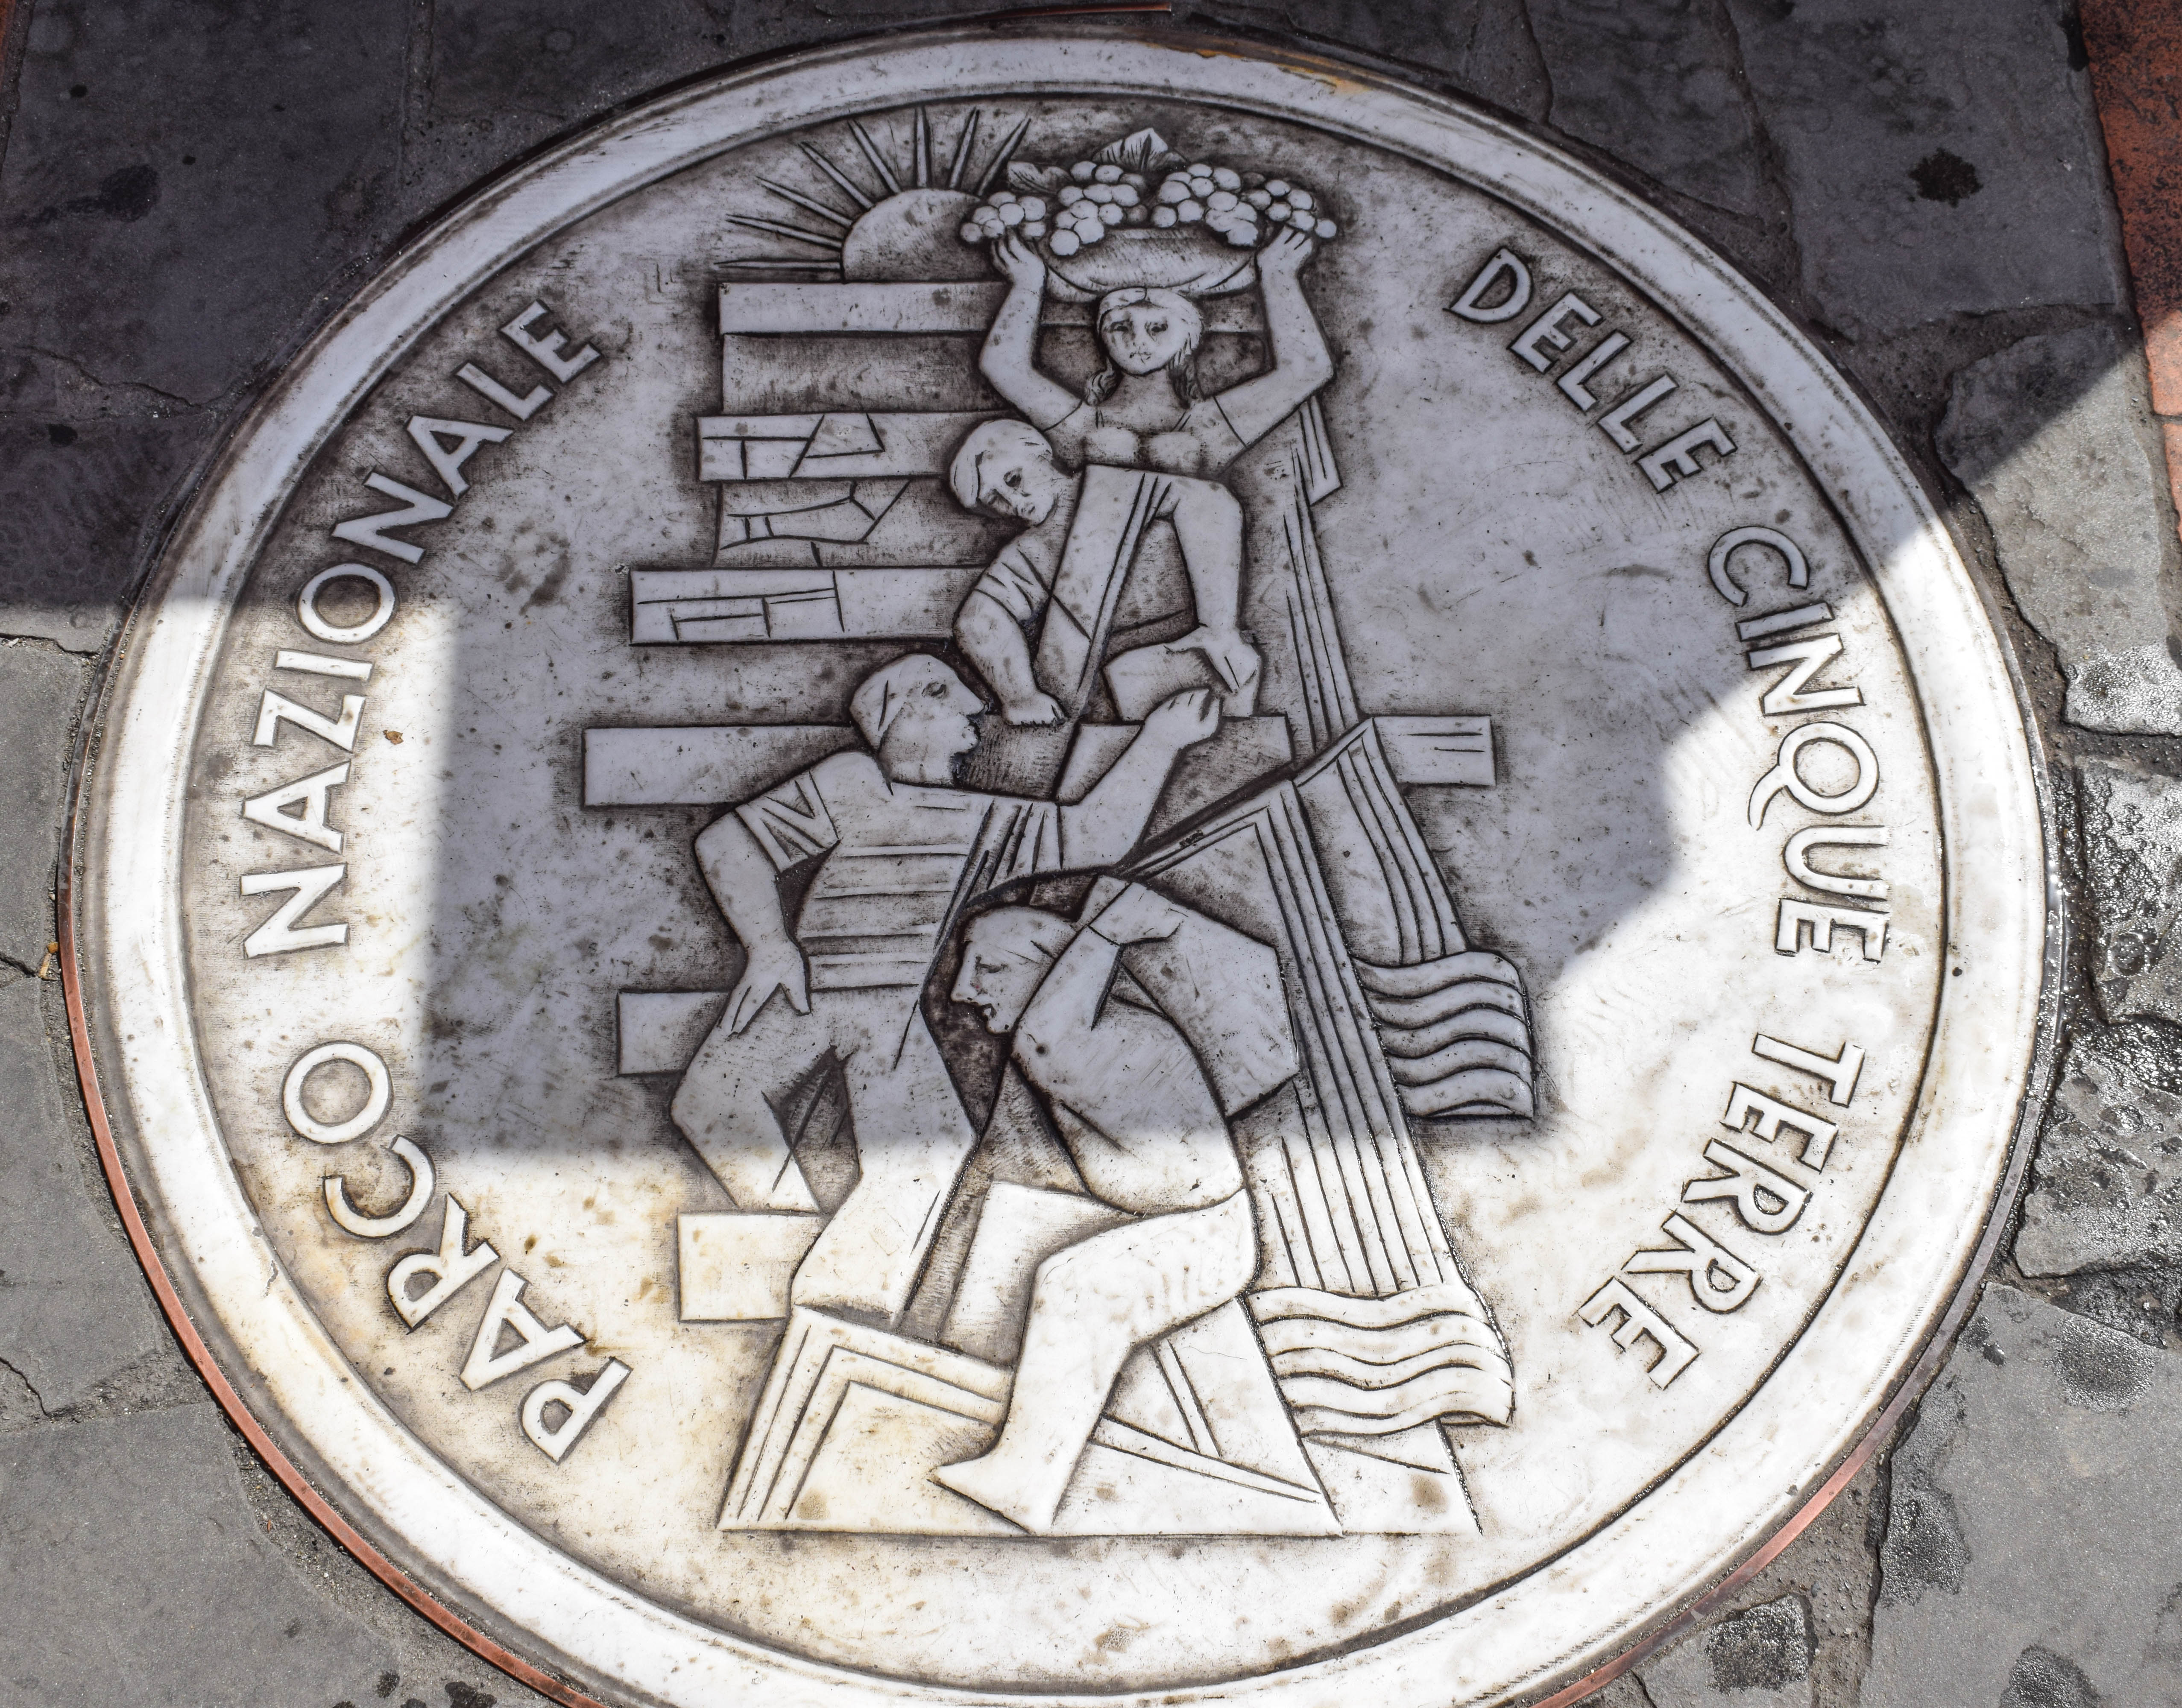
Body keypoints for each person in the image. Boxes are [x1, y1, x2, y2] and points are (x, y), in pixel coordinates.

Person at [669, 653, 1219, 1325]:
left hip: (892, 1016)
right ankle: (788, 1250)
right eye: (951, 696)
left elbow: (1092, 832)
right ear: (907, 710)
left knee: (930, 1155)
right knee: (715, 1105)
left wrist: (1160, 742)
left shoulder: (981, 820)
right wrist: (768, 945)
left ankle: (845, 1306)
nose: (976, 709)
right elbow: (729, 843)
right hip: (812, 989)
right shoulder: (853, 783)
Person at [932, 887, 1260, 1534]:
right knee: (1012, 1223)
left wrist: (1108, 932)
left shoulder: (1077, 1042)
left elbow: (1048, 1034)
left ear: (1057, 976)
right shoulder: (1096, 1032)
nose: (964, 990)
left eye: (990, 968)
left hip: (1203, 1235)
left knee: (1075, 1285)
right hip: (1162, 1219)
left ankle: (1023, 1485)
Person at [948, 419, 1259, 726]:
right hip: (1106, 691)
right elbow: (977, 618)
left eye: (1014, 479)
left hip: (1199, 659)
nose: (1014, 501)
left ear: (1039, 452)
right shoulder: (1027, 552)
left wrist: (1218, 627)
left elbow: (1209, 501)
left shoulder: (1117, 487)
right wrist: (1021, 696)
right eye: (995, 500)